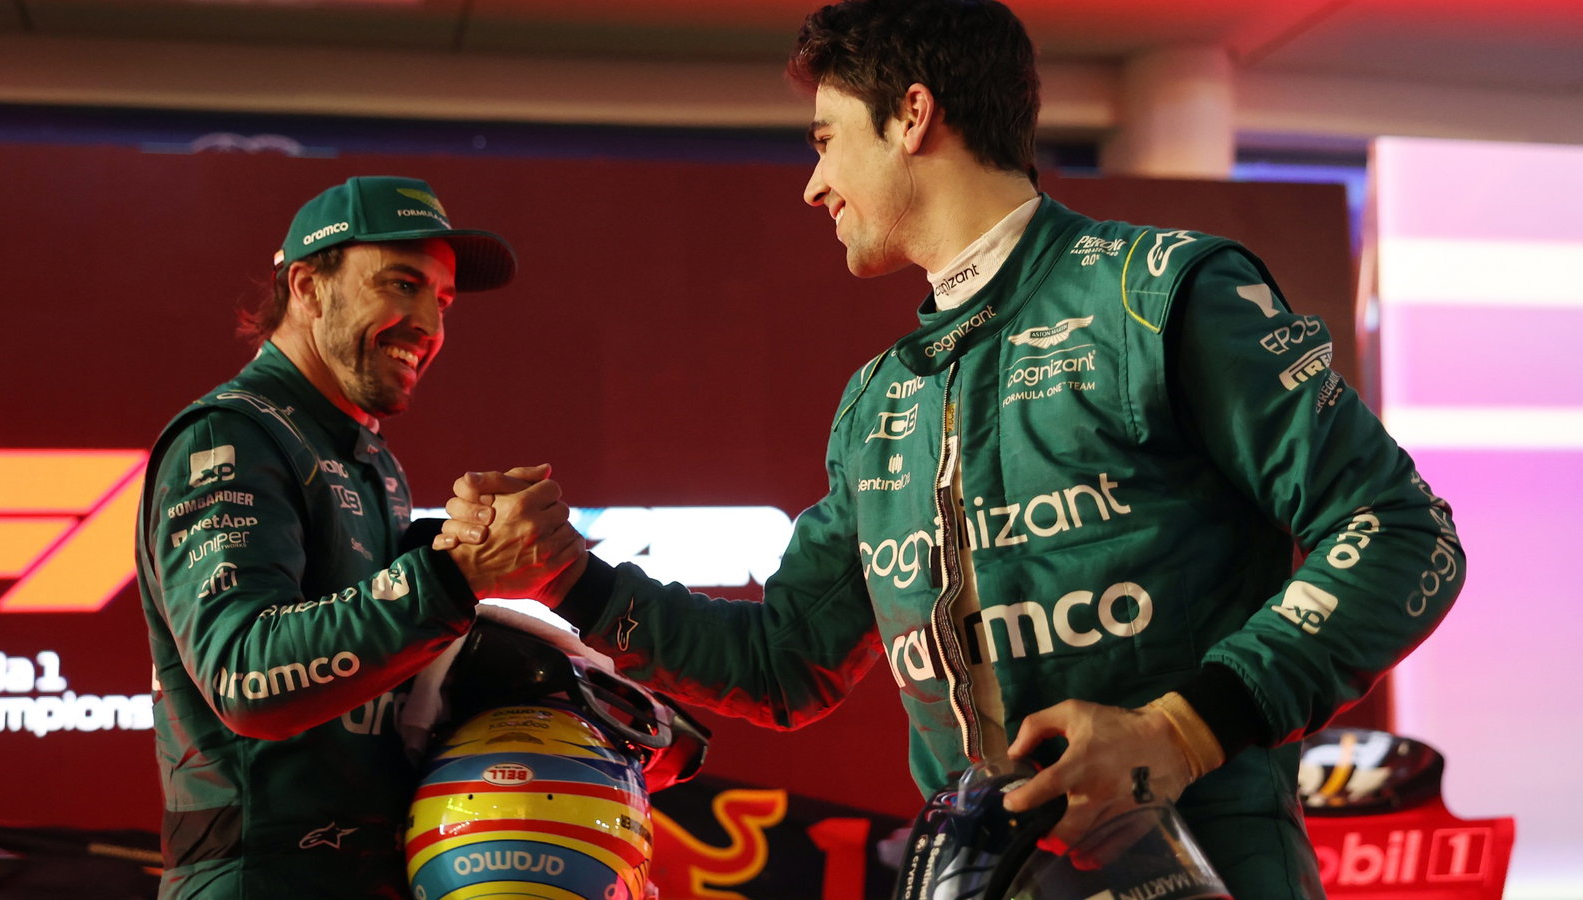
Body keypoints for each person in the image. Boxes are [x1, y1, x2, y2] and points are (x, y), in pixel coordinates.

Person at [440, 0, 1464, 895]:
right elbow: (782, 663)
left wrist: (1178, 732)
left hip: (1203, 867)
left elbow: (1401, 533)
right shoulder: (880, 399)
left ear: (913, 116)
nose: (814, 185)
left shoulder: (1157, 295)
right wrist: (566, 576)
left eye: (826, 139)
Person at [134, 175, 584, 899]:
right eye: (402, 285)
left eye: (442, 301)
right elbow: (244, 676)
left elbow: (373, 661)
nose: (428, 324)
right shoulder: (230, 436)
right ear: (308, 287)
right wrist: (453, 577)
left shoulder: (364, 456)